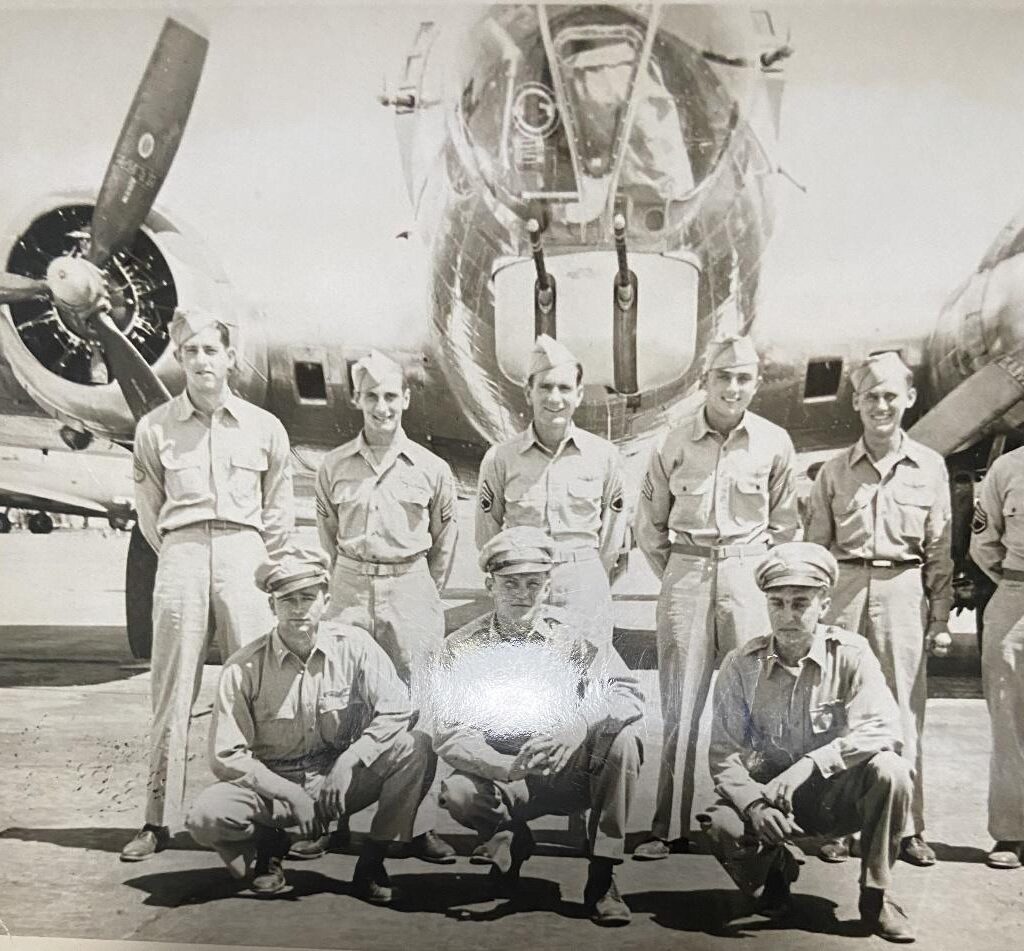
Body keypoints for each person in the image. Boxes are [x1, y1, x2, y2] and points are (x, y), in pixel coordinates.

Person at [122, 307, 294, 861]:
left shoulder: (265, 429)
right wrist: (182, 549)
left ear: (230, 357)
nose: (201, 360)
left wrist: (256, 560)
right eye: (191, 350)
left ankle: (266, 815)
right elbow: (150, 512)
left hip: (246, 554)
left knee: (257, 688)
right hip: (182, 552)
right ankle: (157, 818)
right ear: (179, 358)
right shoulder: (153, 429)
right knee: (170, 688)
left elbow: (278, 513)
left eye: (211, 350)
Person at [186, 549, 436, 903]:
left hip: (338, 779)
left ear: (326, 600)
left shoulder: (355, 647)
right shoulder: (243, 668)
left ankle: (372, 862)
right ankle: (267, 846)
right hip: (272, 788)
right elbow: (227, 756)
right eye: (287, 599)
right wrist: (288, 793)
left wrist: (351, 760)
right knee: (205, 816)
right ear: (272, 606)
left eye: (308, 597)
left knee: (415, 747)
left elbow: (397, 709)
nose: (298, 608)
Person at [424, 526, 644, 926]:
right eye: (511, 583)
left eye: (533, 584)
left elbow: (627, 694)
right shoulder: (460, 647)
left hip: (569, 770)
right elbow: (450, 733)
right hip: (508, 774)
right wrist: (503, 768)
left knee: (624, 741)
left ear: (547, 587)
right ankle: (510, 840)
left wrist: (578, 724)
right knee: (458, 791)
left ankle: (603, 875)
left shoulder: (575, 637)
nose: (523, 594)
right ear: (490, 584)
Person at [633, 334, 800, 860]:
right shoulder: (672, 442)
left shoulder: (775, 443)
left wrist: (748, 573)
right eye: (723, 376)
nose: (733, 387)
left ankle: (754, 822)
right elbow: (649, 525)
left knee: (756, 702)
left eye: (744, 377)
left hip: (748, 576)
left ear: (755, 382)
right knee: (680, 704)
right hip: (687, 570)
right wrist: (684, 571)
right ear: (705, 380)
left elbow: (786, 526)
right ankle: (669, 827)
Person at [699, 541, 916, 943]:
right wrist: (756, 804)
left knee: (893, 771)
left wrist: (813, 763)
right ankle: (775, 872)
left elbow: (883, 729)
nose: (788, 615)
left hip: (839, 795)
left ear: (824, 604)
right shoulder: (740, 665)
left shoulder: (851, 653)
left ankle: (876, 895)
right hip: (777, 801)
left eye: (800, 603)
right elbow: (723, 754)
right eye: (777, 603)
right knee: (720, 823)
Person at [805, 351, 952, 867]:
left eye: (891, 395)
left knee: (906, 712)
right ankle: (837, 825)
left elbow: (939, 553)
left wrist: (938, 619)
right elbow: (818, 551)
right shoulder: (833, 471)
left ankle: (908, 826)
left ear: (909, 399)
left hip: (903, 588)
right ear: (857, 403)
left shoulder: (930, 467)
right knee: (837, 710)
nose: (881, 405)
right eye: (871, 396)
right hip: (845, 590)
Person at [314, 349, 456, 863]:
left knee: (420, 705)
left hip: (411, 584)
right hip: (351, 582)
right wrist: (352, 577)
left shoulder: (432, 468)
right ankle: (331, 818)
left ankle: (418, 826)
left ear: (407, 399)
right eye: (371, 396)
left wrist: (418, 588)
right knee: (341, 702)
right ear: (356, 399)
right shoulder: (332, 466)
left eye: (391, 395)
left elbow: (444, 539)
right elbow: (328, 533)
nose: (382, 406)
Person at [475, 334, 627, 648]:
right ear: (528, 392)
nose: (554, 398)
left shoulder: (604, 456)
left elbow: (612, 538)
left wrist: (588, 576)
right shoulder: (501, 458)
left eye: (564, 388)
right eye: (545, 387)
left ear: (580, 394)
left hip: (583, 582)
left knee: (588, 677)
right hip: (523, 584)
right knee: (525, 679)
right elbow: (487, 534)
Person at [969, 445, 1024, 870]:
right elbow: (983, 543)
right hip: (1016, 601)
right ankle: (1011, 832)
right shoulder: (1007, 468)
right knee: (1009, 721)